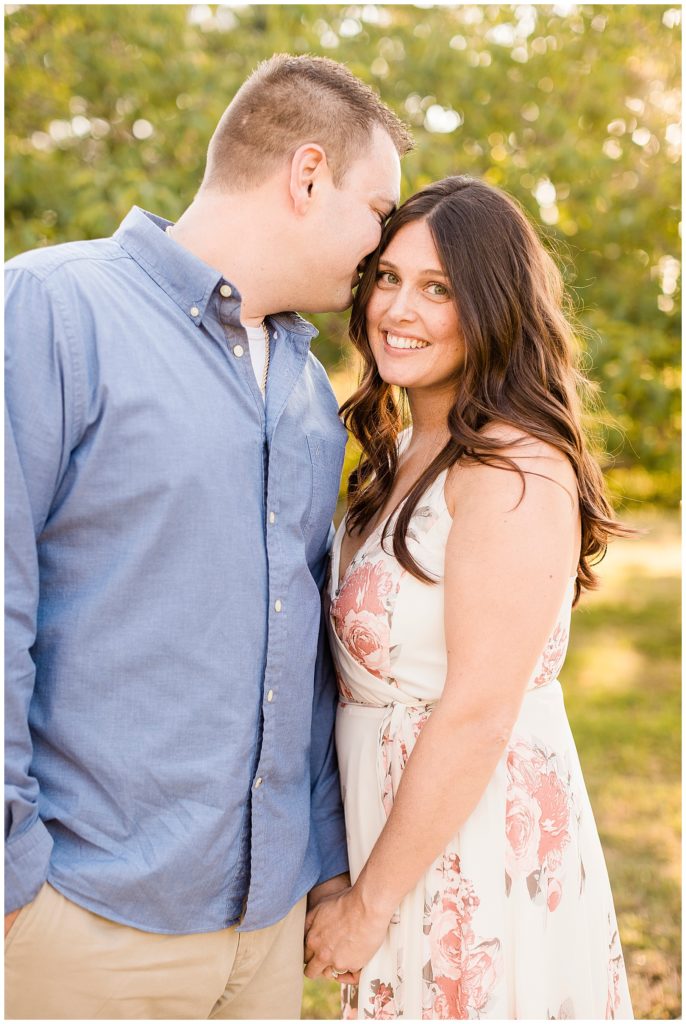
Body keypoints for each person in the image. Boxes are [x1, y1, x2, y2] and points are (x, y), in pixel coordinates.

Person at [4, 53, 411, 1019]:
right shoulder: (52, 310)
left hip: (262, 940)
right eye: (378, 210)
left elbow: (302, 655)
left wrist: (315, 868)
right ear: (307, 177)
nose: (383, 243)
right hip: (85, 920)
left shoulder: (311, 393)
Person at [303, 177, 634, 1019]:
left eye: (438, 288)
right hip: (399, 838)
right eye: (388, 277)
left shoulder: (514, 465)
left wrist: (369, 904)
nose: (398, 309)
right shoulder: (407, 444)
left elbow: (481, 708)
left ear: (491, 307)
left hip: (476, 855)